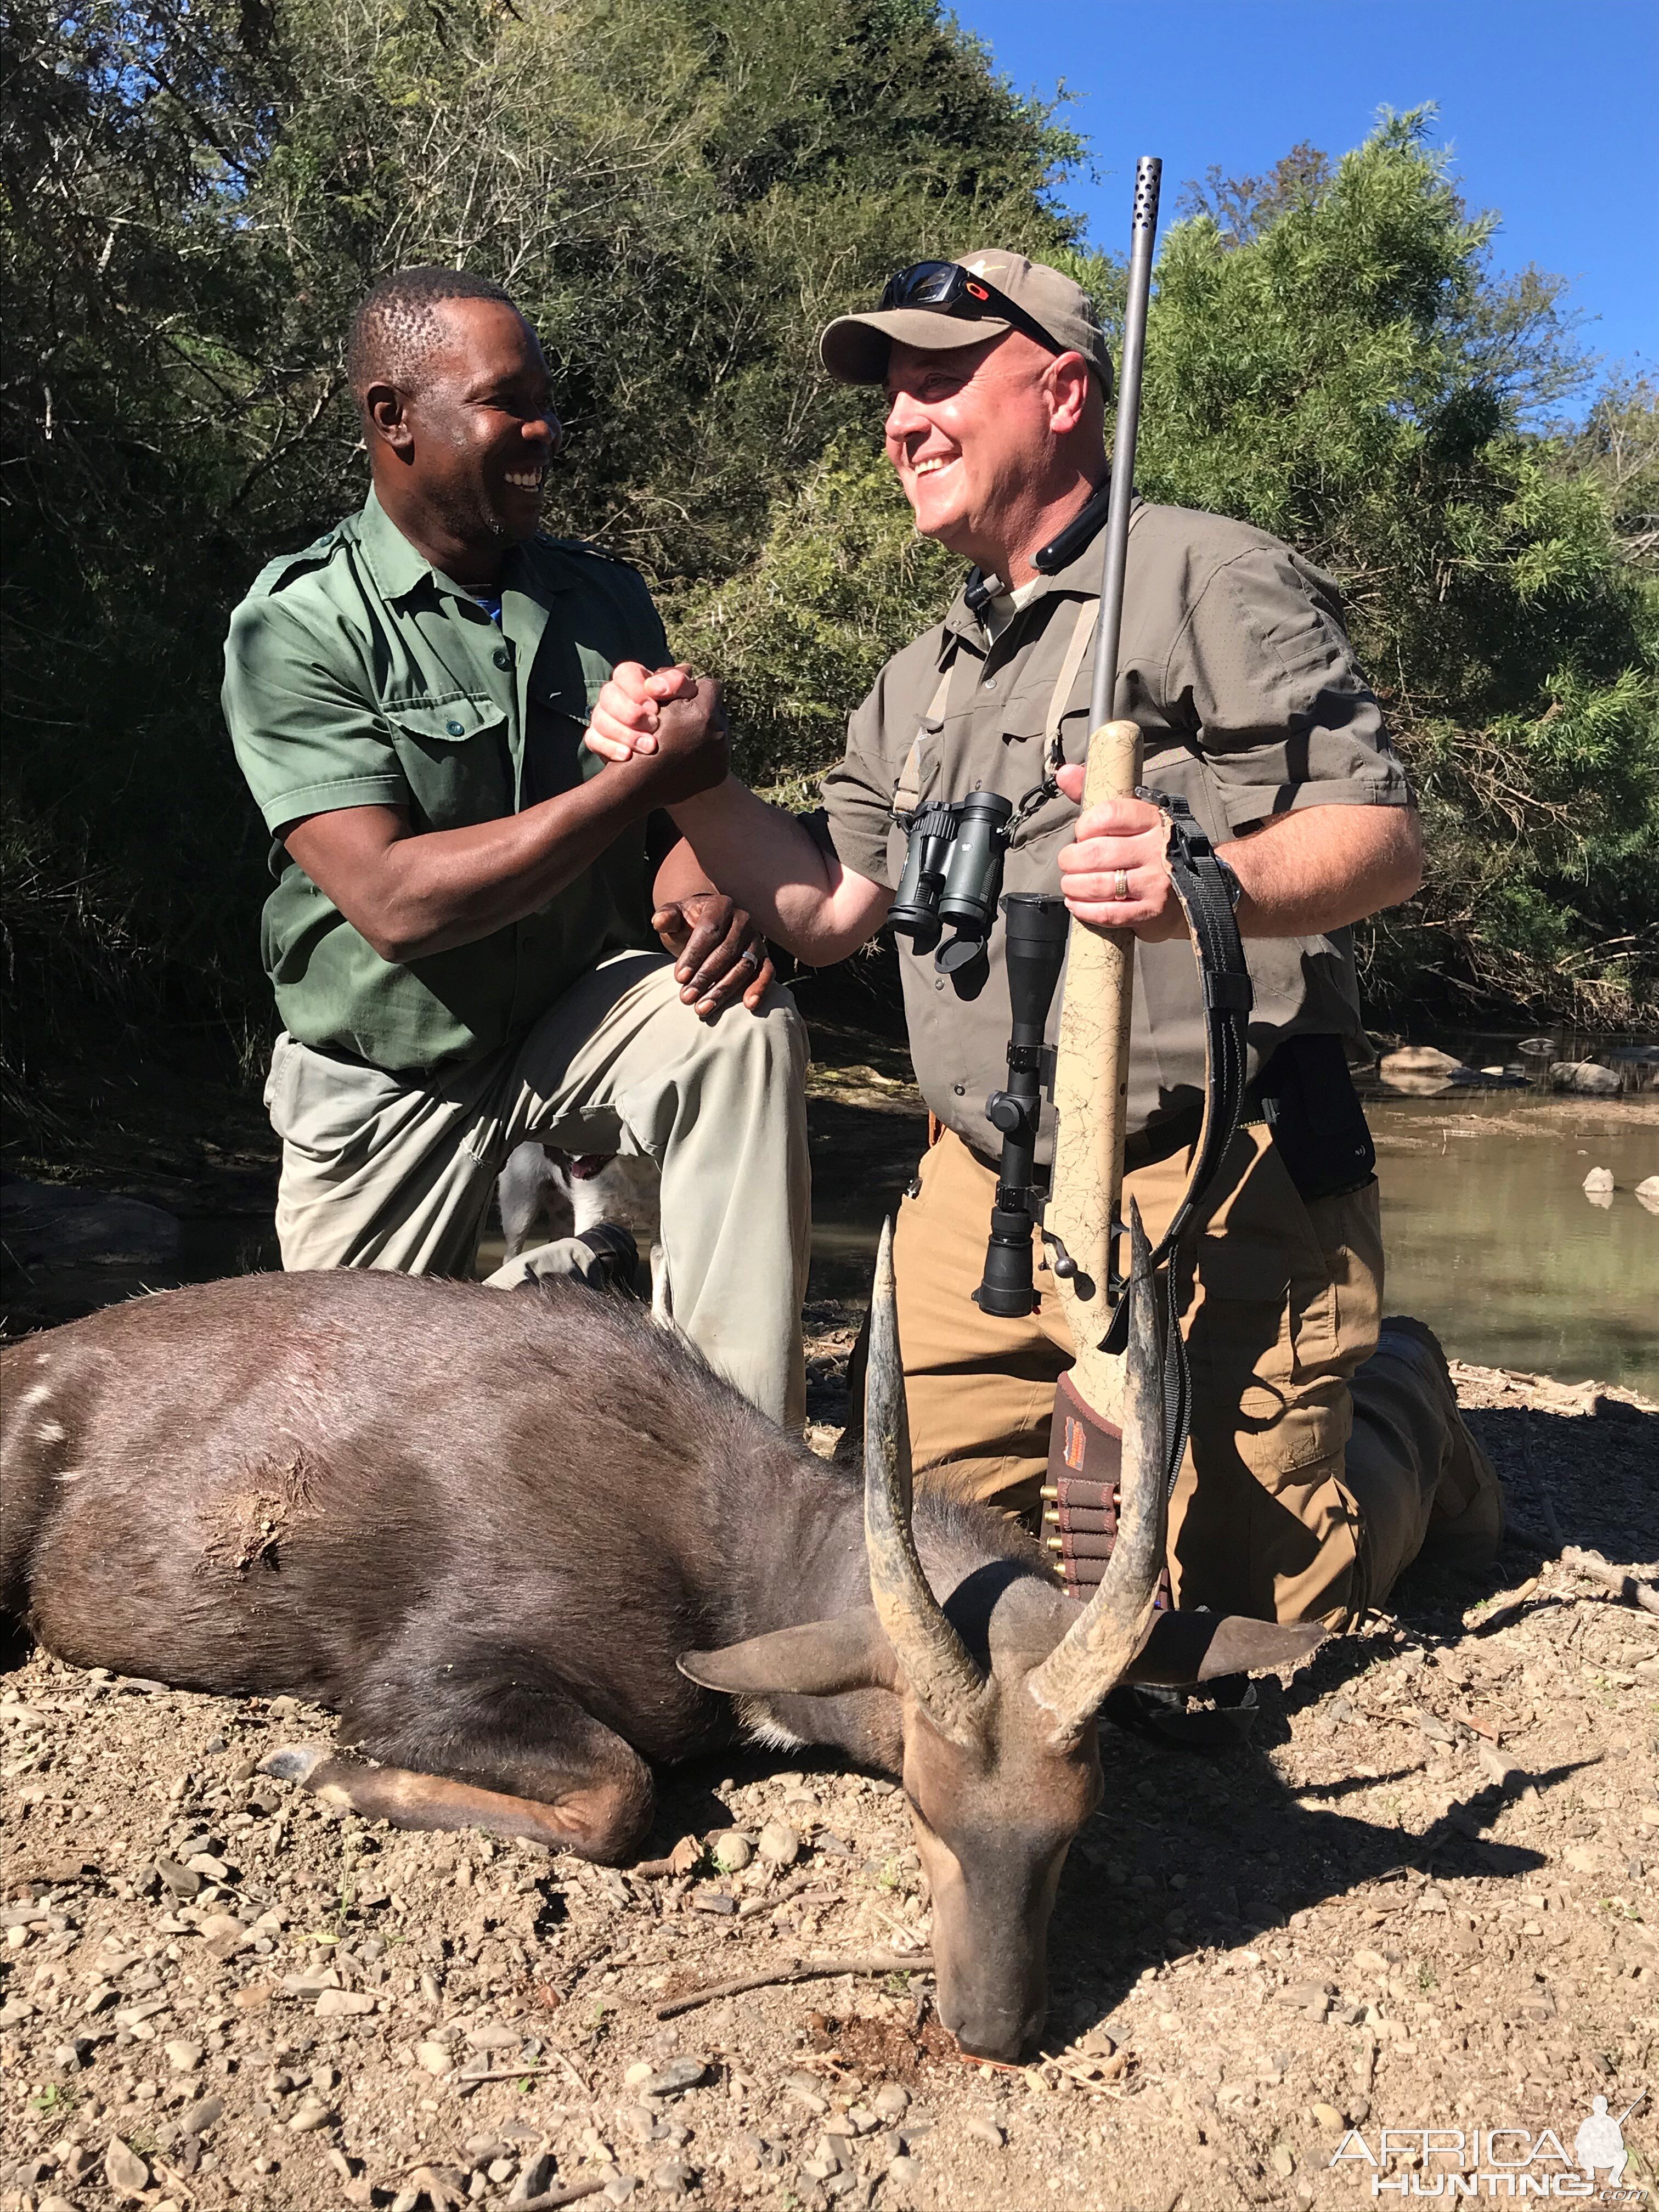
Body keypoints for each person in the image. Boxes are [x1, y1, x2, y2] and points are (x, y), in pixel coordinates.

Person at [584, 250, 1502, 1628]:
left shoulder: (1211, 575)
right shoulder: (918, 678)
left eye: (942, 381)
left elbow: (1382, 839)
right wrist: (691, 785)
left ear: (1065, 390)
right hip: (983, 1191)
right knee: (925, 1575)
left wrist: (1213, 881)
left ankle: (1406, 1411)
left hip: (1213, 1167)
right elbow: (830, 914)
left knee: (1247, 1610)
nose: (902, 421)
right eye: (893, 394)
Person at [222, 266, 810, 1426]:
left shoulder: (601, 596)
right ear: (394, 418)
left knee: (739, 1029)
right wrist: (657, 775)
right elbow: (396, 905)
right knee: (331, 1445)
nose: (543, 429)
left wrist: (696, 880)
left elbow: (669, 832)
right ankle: (571, 1287)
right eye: (508, 402)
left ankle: (753, 1483)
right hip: (388, 1073)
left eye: (547, 398)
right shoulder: (296, 624)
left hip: (565, 1019)